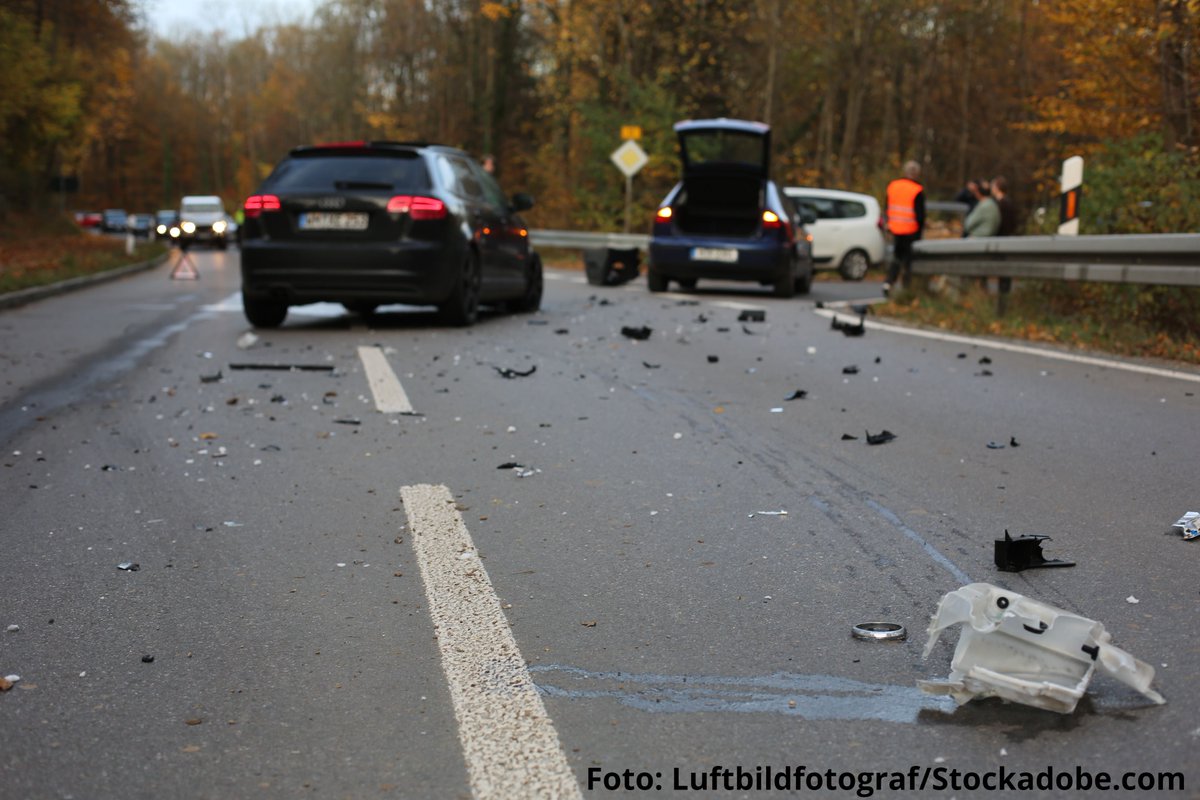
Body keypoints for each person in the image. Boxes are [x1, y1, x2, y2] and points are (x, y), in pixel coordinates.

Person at [883, 160, 926, 297]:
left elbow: (887, 207)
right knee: (908, 261)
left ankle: (888, 282)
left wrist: (889, 224)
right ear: (917, 174)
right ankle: (907, 287)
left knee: (896, 257)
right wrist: (920, 232)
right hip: (911, 231)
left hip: (895, 229)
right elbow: (920, 216)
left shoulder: (893, 186)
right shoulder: (917, 190)